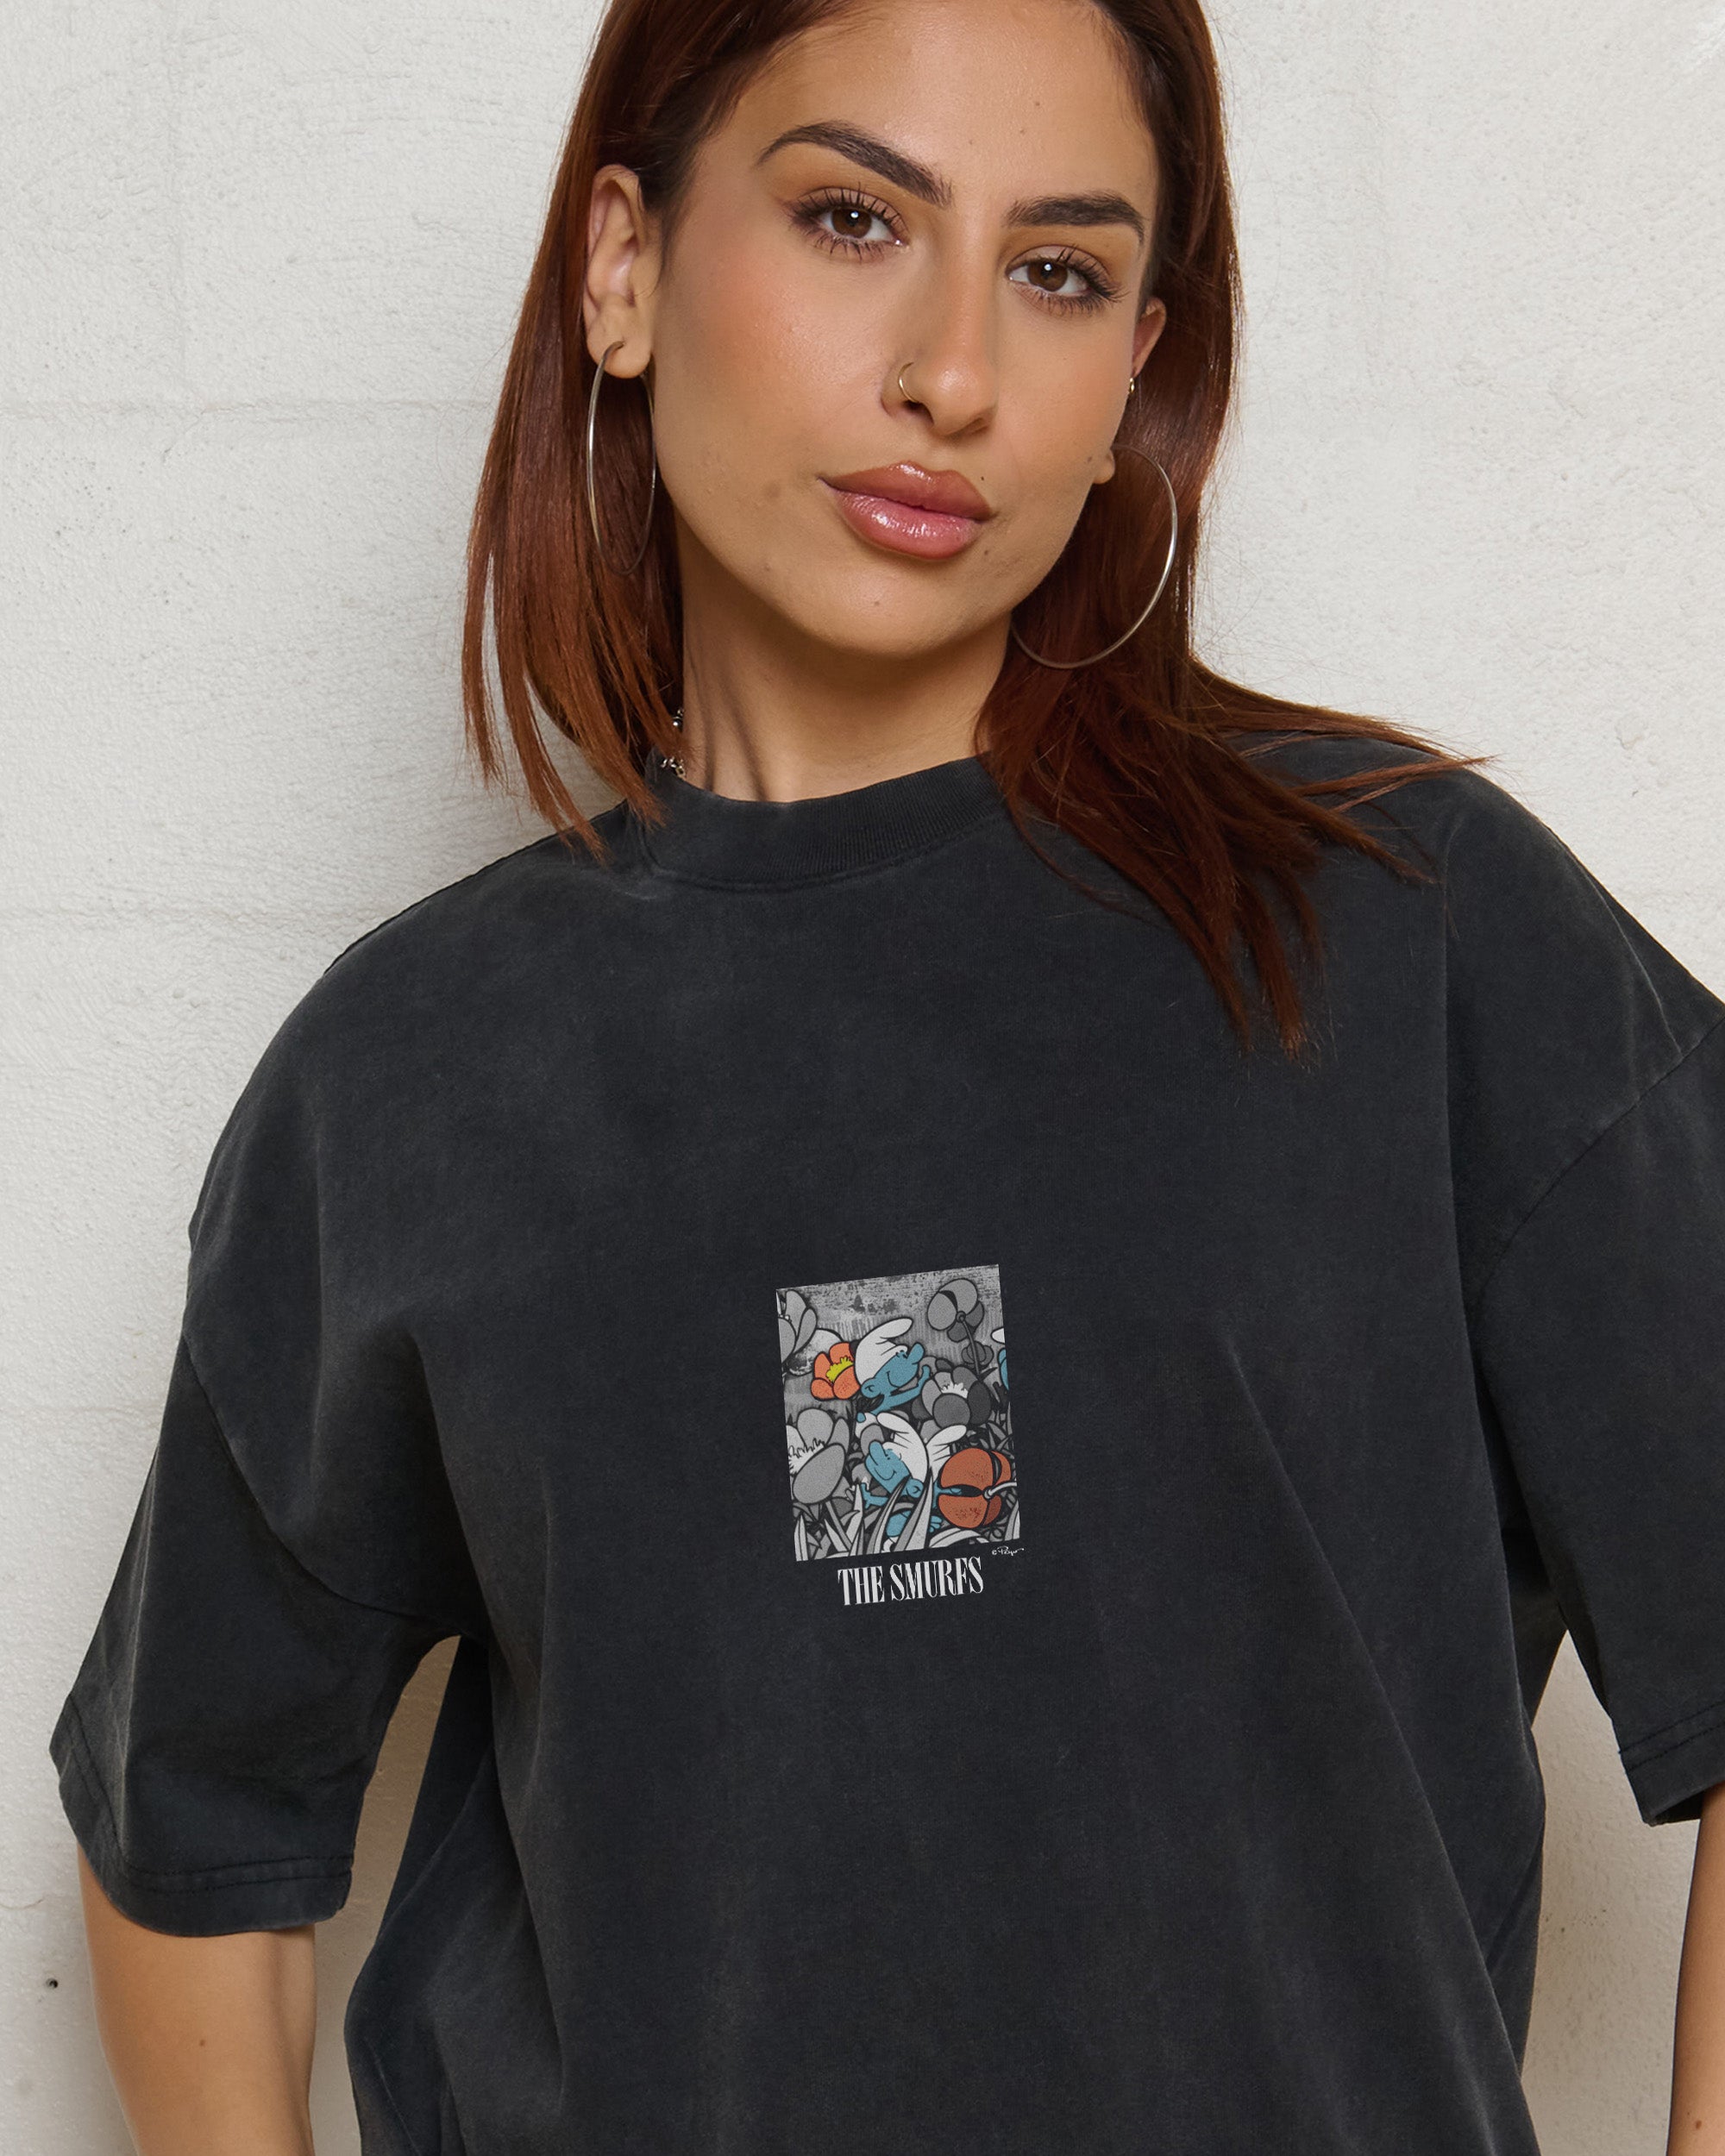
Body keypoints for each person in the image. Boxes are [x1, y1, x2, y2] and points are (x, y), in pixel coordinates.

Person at [51, 0, 1725, 2151]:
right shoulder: (411, 1074)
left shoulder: (1408, 931)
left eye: (1060, 270)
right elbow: (193, 1817)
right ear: (622, 266)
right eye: (853, 218)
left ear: (1136, 370)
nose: (954, 370)